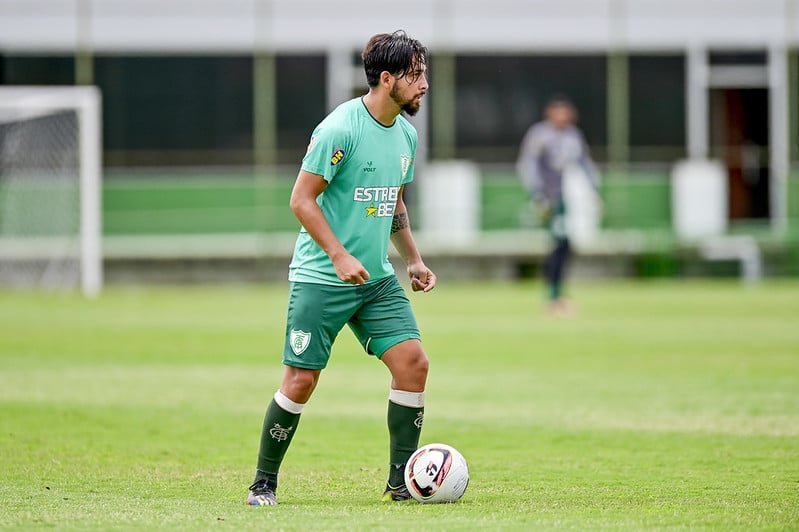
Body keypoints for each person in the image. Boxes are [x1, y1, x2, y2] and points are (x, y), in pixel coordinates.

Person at [246, 30, 435, 506]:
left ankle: (401, 485)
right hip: (321, 277)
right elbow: (301, 200)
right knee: (301, 380)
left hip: (375, 279)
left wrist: (412, 258)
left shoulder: (407, 135)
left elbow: (391, 203)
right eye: (415, 75)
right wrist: (338, 254)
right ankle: (263, 483)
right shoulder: (339, 129)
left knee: (413, 364)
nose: (424, 84)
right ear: (387, 78)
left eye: (424, 73)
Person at [516, 96, 601, 314]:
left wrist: (594, 191)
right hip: (550, 199)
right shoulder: (540, 135)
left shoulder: (574, 136)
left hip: (570, 199)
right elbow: (528, 165)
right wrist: (537, 195)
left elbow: (585, 164)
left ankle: (557, 293)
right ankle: (553, 295)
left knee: (565, 245)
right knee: (558, 244)